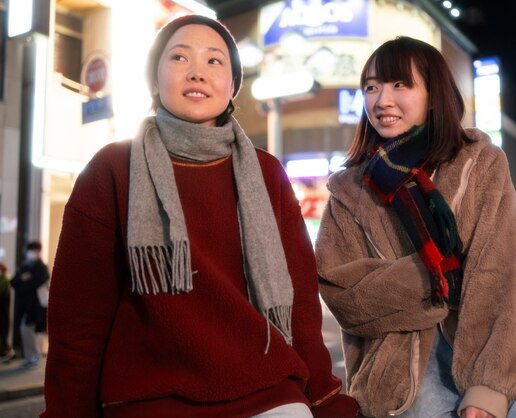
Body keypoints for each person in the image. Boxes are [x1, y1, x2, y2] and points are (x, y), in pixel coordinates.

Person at [41, 14, 358, 418]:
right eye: (178, 58)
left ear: (232, 86)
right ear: (154, 80)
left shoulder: (266, 172)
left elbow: (300, 309)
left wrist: (326, 401)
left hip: (270, 393)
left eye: (214, 61)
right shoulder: (113, 168)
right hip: (151, 401)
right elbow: (79, 321)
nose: (197, 72)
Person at [315, 36, 516, 418]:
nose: (382, 101)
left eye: (400, 85)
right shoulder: (348, 190)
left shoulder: (481, 163)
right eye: (371, 87)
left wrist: (488, 388)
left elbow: (498, 275)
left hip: (500, 351)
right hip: (399, 371)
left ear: (433, 93)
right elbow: (345, 294)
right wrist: (441, 277)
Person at [10, 241, 49, 369]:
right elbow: (14, 282)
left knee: (29, 329)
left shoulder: (41, 267)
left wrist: (24, 281)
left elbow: (35, 283)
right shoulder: (25, 266)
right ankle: (31, 356)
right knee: (26, 329)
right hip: (24, 305)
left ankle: (34, 356)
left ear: (38, 251)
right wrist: (23, 278)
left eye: (33, 250)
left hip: (35, 305)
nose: (31, 253)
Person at [0, 262, 14, 362]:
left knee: (3, 334)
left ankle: (7, 353)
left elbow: (4, 298)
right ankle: (7, 352)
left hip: (3, 313)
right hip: (3, 312)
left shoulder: (5, 282)